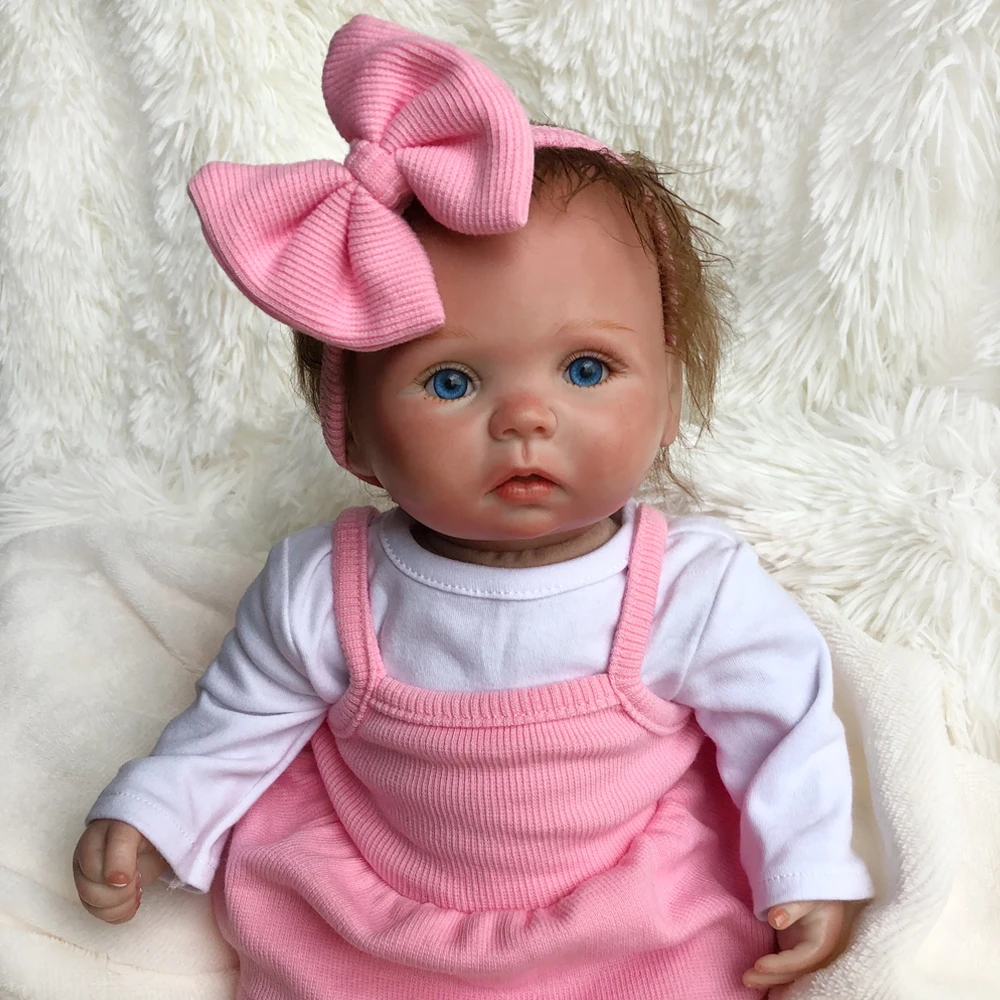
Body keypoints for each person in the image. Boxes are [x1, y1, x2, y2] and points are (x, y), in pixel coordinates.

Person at [73, 14, 873, 999]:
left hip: (624, 898)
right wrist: (152, 812)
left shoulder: (688, 589)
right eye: (451, 382)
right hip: (373, 904)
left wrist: (808, 868)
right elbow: (238, 720)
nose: (526, 418)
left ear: (669, 400)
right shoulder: (323, 585)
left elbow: (781, 727)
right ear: (354, 436)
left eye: (588, 369)